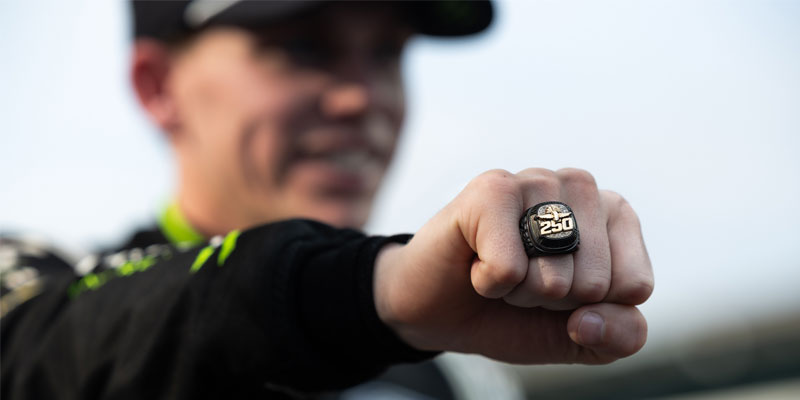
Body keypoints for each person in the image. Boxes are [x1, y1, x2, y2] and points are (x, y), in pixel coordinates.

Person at [0, 1, 654, 399]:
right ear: (158, 85)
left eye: (388, 52)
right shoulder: (44, 304)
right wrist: (373, 290)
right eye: (303, 46)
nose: (361, 98)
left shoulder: (455, 376)